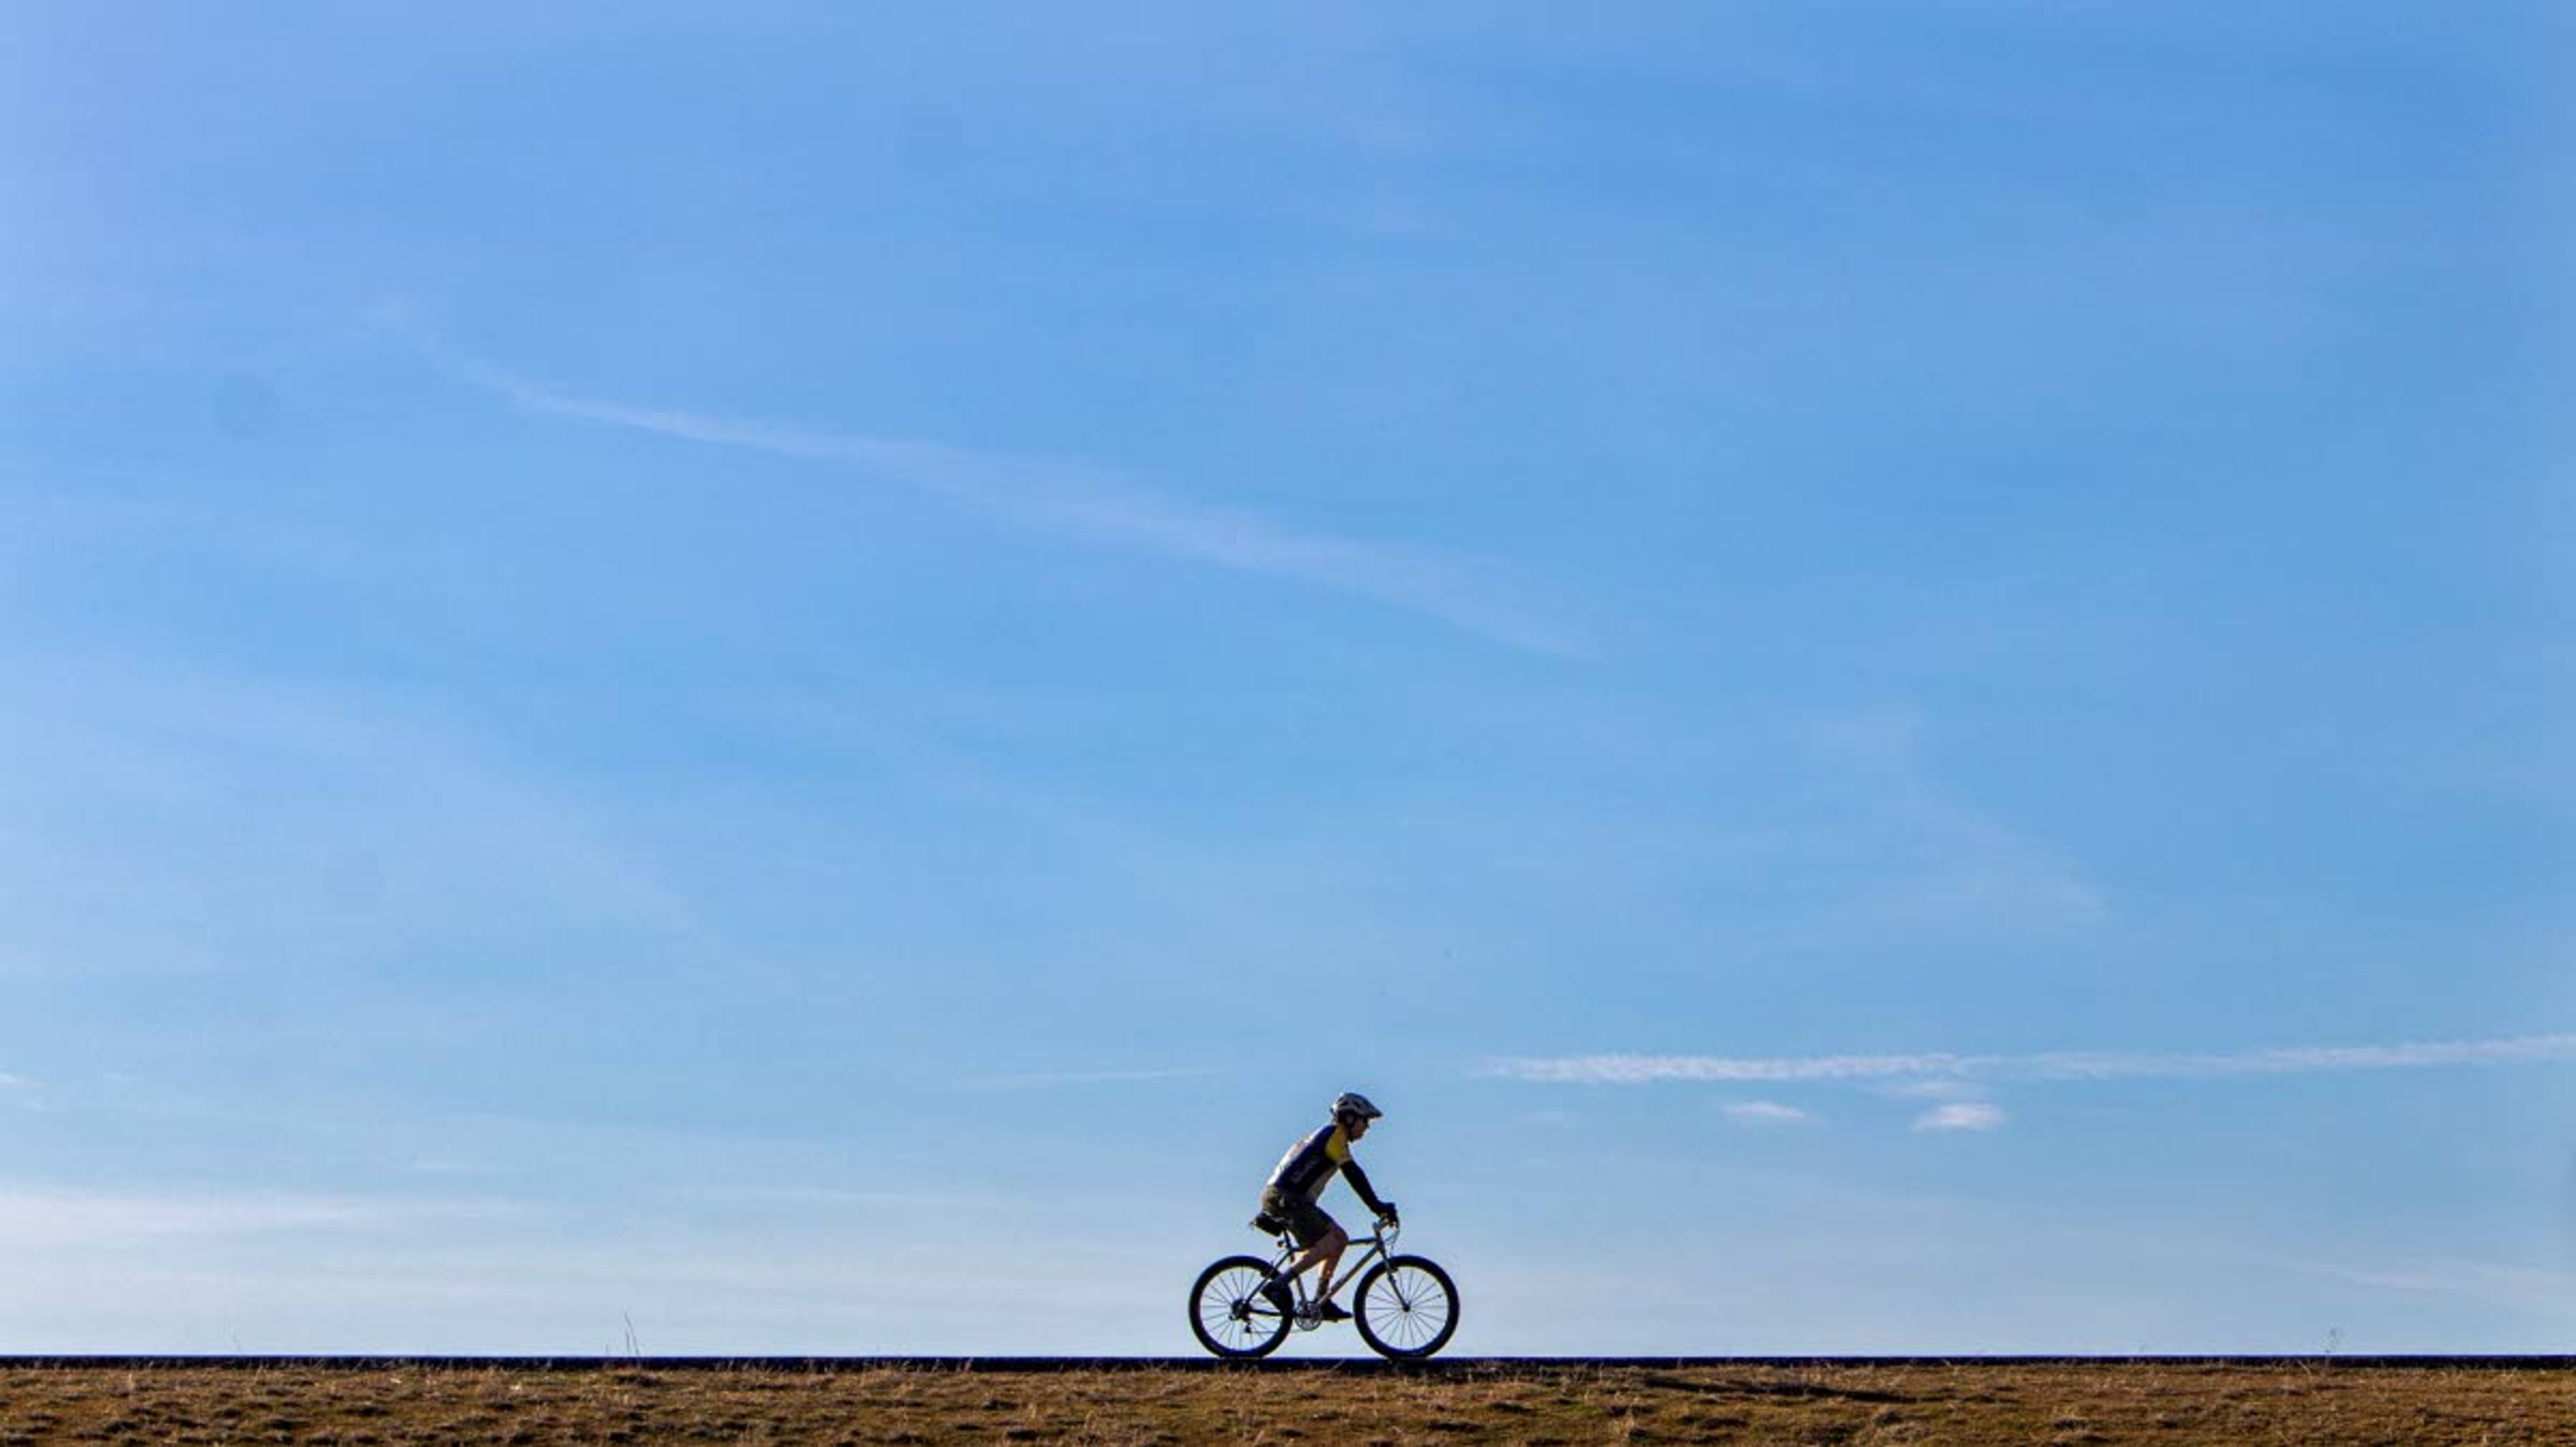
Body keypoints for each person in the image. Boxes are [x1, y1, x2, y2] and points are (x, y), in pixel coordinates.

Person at [1255, 1091, 1399, 1322]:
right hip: (1287, 1197)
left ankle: (1322, 1299)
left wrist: (1377, 1205)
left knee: (1340, 1238)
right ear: (1350, 1118)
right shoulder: (1333, 1136)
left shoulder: (1335, 1139)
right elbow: (1354, 1175)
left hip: (1291, 1198)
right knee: (1328, 1242)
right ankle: (1279, 1285)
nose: (1367, 1127)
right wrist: (1377, 1206)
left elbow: (1354, 1174)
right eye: (1365, 1120)